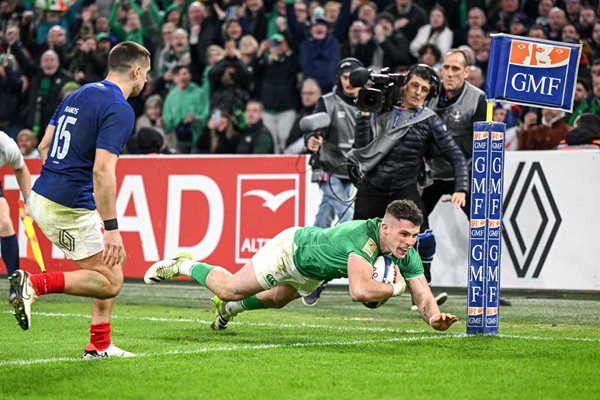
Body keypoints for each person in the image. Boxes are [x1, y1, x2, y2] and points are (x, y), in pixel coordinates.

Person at [9, 41, 151, 359]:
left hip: (44, 194)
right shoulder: (119, 107)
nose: (146, 82)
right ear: (137, 70)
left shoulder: (79, 93)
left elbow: (44, 145)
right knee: (110, 281)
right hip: (67, 204)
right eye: (146, 75)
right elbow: (103, 171)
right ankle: (33, 285)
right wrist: (111, 227)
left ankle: (98, 345)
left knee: (111, 263)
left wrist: (61, 184)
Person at [144, 199, 458, 332]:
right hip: (291, 250)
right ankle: (182, 264)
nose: (410, 241)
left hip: (312, 272)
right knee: (230, 289)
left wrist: (432, 317)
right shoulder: (361, 239)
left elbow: (423, 291)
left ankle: (228, 313)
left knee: (277, 300)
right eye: (404, 233)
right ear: (386, 228)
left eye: (414, 235)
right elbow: (360, 291)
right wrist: (395, 286)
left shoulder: (405, 249)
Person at [349, 63, 469, 310]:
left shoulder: (429, 120)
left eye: (424, 89)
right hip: (373, 185)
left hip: (404, 188)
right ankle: (336, 283)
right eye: (414, 85)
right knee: (354, 239)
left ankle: (421, 294)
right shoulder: (380, 110)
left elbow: (456, 155)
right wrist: (363, 113)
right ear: (405, 85)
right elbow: (362, 148)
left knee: (424, 240)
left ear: (429, 94)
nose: (417, 92)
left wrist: (461, 187)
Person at [424, 50, 512, 307]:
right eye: (446, 68)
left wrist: (465, 184)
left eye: (455, 69)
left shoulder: (479, 99)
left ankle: (489, 287)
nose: (449, 74)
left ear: (466, 72)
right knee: (413, 223)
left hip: (465, 171)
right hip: (430, 174)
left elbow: (482, 144)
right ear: (441, 70)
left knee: (487, 226)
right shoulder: (429, 95)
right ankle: (422, 288)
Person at [301, 57, 363, 306]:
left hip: (360, 171)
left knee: (321, 224)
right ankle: (359, 277)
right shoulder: (327, 102)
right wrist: (312, 141)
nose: (348, 81)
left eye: (352, 76)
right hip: (332, 169)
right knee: (347, 223)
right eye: (345, 76)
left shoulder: (371, 101)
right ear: (339, 77)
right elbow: (314, 131)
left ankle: (311, 276)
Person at [0, 130, 32, 304]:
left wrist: (28, 202)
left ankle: (15, 287)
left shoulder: (5, 144)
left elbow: (21, 169)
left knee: (5, 223)